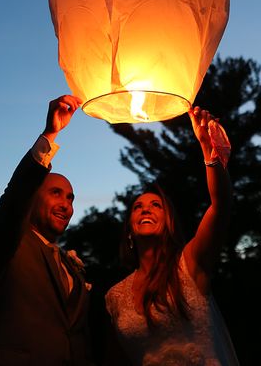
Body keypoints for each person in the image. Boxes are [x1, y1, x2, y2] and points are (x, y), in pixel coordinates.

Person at [104, 106, 240, 366]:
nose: (145, 208)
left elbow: (220, 205)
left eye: (156, 205)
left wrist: (207, 149)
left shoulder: (190, 264)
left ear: (169, 222)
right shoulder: (113, 297)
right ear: (130, 229)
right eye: (138, 206)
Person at [0, 95, 94, 366]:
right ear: (34, 198)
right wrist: (50, 135)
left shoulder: (69, 263)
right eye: (56, 193)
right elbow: (15, 199)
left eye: (71, 198)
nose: (66, 204)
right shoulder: (8, 245)